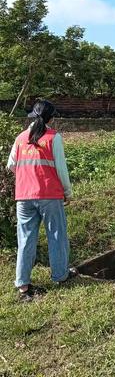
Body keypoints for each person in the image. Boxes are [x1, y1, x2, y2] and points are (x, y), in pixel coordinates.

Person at [7, 100, 77, 301]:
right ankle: (60, 275)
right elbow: (61, 169)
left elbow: (11, 165)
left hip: (23, 196)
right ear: (51, 118)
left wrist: (27, 176)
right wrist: (68, 192)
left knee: (26, 239)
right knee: (56, 235)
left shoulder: (20, 138)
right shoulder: (53, 137)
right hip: (49, 194)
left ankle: (23, 285)